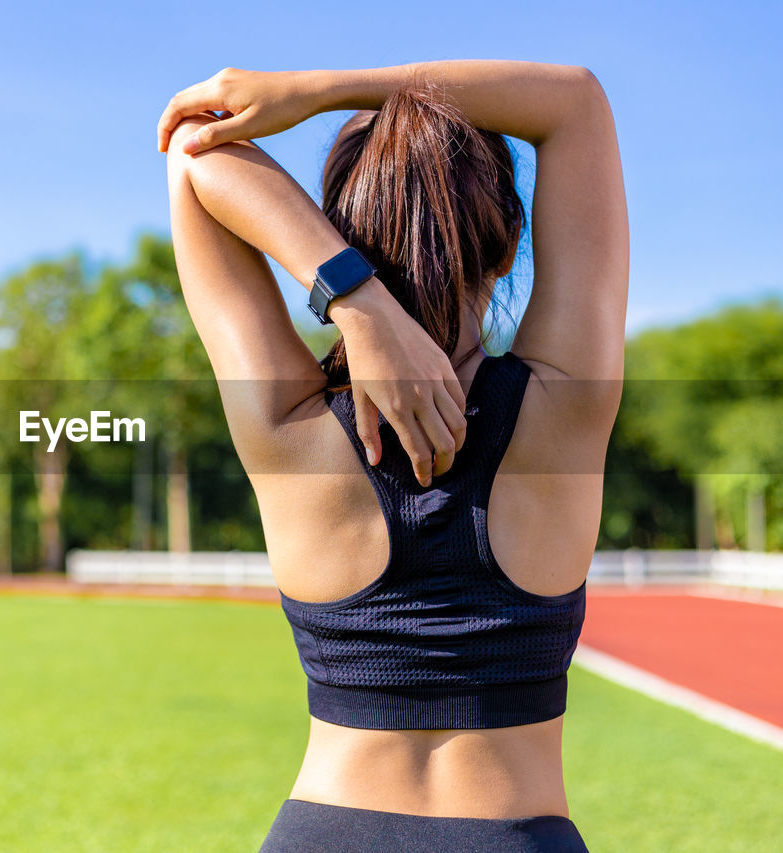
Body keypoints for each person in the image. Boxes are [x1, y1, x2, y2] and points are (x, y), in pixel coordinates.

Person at [157, 60, 627, 852]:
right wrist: (324, 88)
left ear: (337, 236)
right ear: (510, 244)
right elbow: (575, 103)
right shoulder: (567, 407)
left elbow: (193, 146)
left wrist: (353, 296)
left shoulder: (289, 426)